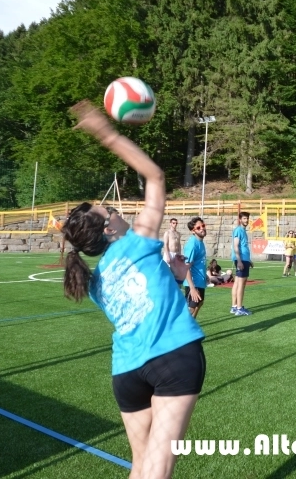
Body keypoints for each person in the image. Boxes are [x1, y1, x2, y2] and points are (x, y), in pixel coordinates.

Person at [61, 101, 205, 479]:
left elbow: (141, 301)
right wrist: (106, 134)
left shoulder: (96, 282)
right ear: (109, 229)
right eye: (111, 211)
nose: (117, 212)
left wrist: (174, 278)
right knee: (157, 468)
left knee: (141, 466)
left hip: (126, 373)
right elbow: (155, 176)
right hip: (172, 356)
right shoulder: (138, 240)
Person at [183, 216, 207, 319]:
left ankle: (192, 325)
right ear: (193, 231)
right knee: (190, 309)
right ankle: (175, 326)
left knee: (199, 303)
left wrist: (205, 275)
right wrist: (192, 288)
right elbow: (186, 267)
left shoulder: (200, 242)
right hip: (193, 282)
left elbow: (199, 262)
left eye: (203, 225)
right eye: (198, 228)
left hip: (200, 280)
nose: (202, 228)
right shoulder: (192, 245)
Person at [230, 212, 253, 316]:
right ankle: (239, 308)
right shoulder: (238, 230)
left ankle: (234, 306)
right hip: (241, 260)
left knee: (237, 283)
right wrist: (239, 261)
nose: (246, 220)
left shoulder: (242, 230)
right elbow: (236, 245)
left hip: (244, 259)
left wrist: (249, 260)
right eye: (244, 218)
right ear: (240, 219)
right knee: (241, 284)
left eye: (247, 218)